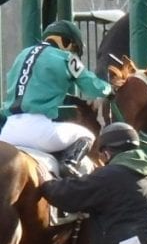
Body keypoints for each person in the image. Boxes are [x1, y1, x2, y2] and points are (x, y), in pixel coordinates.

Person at [1, 20, 115, 178]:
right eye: (75, 49)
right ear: (68, 43)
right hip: (37, 130)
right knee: (86, 135)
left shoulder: (22, 54)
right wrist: (109, 90)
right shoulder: (67, 58)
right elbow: (92, 86)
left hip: (7, 131)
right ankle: (70, 165)